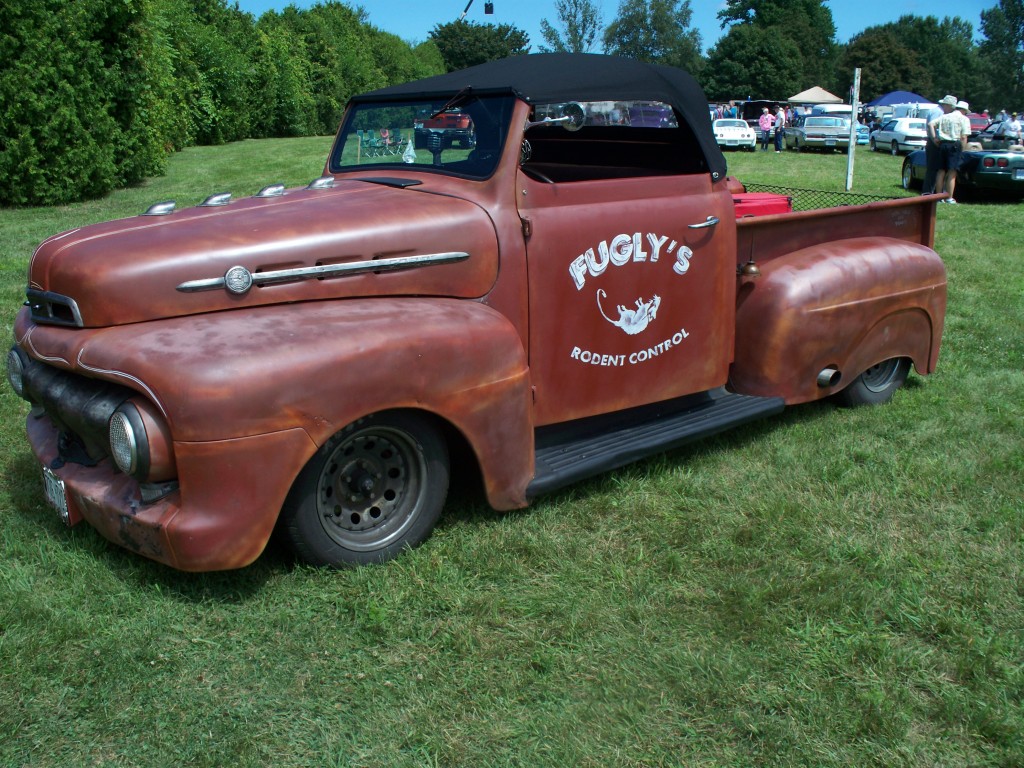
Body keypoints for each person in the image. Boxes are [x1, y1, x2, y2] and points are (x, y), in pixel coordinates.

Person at [930, 98, 971, 203]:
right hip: (954, 145)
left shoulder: (944, 116)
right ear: (964, 110)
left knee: (941, 171)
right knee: (952, 172)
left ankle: (938, 197)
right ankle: (949, 197)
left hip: (943, 144)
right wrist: (962, 149)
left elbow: (931, 124)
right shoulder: (964, 119)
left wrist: (934, 138)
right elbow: (964, 136)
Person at [923, 95, 955, 194]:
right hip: (934, 143)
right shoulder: (938, 112)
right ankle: (928, 192)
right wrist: (936, 141)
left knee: (936, 169)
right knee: (933, 169)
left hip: (934, 142)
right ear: (947, 105)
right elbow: (932, 127)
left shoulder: (937, 111)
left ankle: (931, 192)